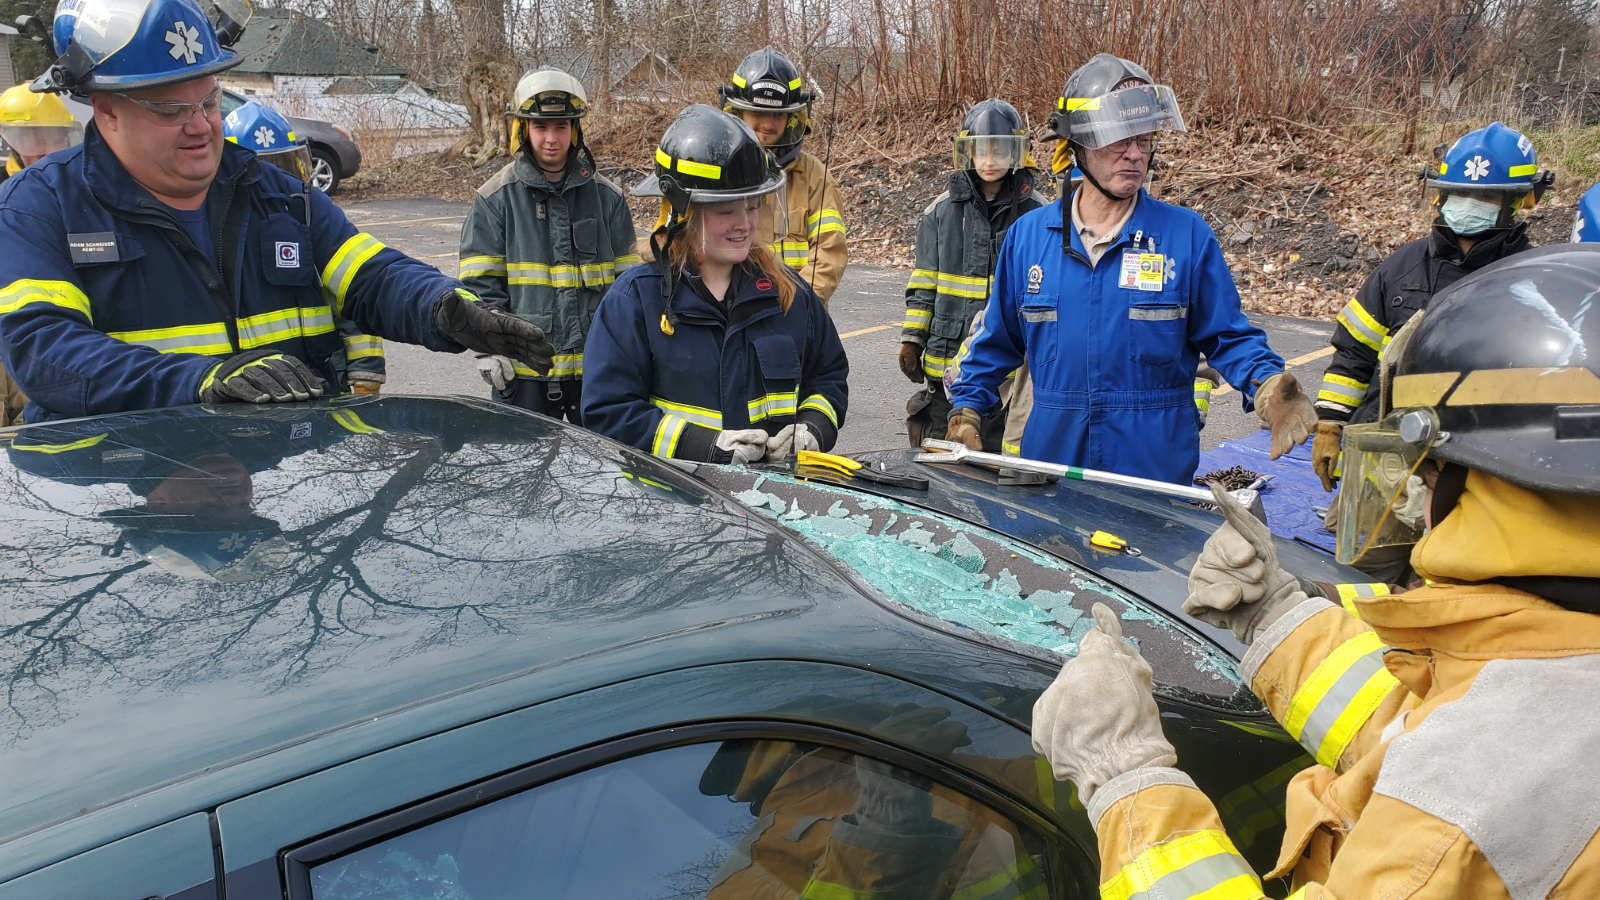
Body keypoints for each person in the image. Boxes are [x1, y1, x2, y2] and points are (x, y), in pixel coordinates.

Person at [1030, 244, 1600, 899]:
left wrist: (1125, 776)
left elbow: (1463, 758)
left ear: (1474, 480)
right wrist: (1276, 616)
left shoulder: (1454, 823)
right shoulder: (1550, 655)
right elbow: (1427, 726)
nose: (1412, 494)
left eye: (1423, 468)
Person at [0, 0, 552, 423]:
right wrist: (199, 381)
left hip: (279, 481)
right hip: (127, 491)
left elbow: (372, 275)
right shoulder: (39, 208)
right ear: (105, 111)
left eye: (210, 101)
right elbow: (44, 348)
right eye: (171, 110)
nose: (201, 125)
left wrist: (443, 308)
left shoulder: (276, 192)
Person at [946, 54, 1316, 485]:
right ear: (1078, 147)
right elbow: (996, 341)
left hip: (1152, 474)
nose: (1135, 155)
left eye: (1144, 140)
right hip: (1052, 471)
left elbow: (1228, 336)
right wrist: (966, 410)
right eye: (1118, 141)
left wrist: (1268, 386)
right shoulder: (1028, 239)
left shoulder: (1184, 237)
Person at [583, 104, 848, 464]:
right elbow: (609, 410)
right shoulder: (636, 300)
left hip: (777, 493)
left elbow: (828, 376)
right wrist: (703, 446)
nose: (745, 224)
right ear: (683, 215)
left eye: (752, 206)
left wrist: (813, 428)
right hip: (676, 493)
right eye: (726, 210)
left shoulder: (789, 294)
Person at [1310, 121, 1550, 492]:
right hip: (1385, 455)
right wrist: (1331, 423)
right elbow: (1354, 353)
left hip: (1483, 469)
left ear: (1518, 201)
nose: (1467, 205)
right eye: (1458, 193)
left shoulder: (1535, 282)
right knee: (1353, 531)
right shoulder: (1401, 268)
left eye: (1486, 197)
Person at [458, 67, 638, 423]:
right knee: (523, 459)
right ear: (523, 130)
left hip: (597, 372)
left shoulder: (608, 198)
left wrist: (635, 353)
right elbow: (479, 287)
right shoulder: (495, 200)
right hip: (527, 375)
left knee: (603, 460)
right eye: (540, 127)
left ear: (575, 130)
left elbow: (631, 288)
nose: (551, 139)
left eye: (562, 127)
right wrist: (488, 348)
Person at [900, 99, 1044, 448]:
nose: (990, 160)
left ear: (1017, 152)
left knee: (997, 459)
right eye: (981, 151)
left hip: (1008, 374)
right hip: (945, 365)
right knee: (942, 460)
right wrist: (913, 339)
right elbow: (924, 283)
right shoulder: (940, 212)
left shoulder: (1038, 214)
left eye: (1000, 150)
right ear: (967, 152)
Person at [222, 99, 386, 396]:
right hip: (246, 393)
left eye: (285, 167)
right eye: (263, 171)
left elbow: (354, 297)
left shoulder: (308, 219)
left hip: (323, 384)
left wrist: (366, 372)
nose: (276, 183)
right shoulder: (217, 236)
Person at [719, 47, 848, 304]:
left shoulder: (813, 175)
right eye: (758, 112)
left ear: (792, 117)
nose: (768, 124)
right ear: (737, 112)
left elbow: (829, 252)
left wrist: (797, 307)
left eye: (778, 114)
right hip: (730, 313)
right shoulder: (716, 168)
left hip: (795, 311)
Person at [1, 83, 85, 424]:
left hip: (60, 343)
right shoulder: (10, 200)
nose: (46, 150)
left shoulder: (78, 194)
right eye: (33, 139)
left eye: (56, 137)